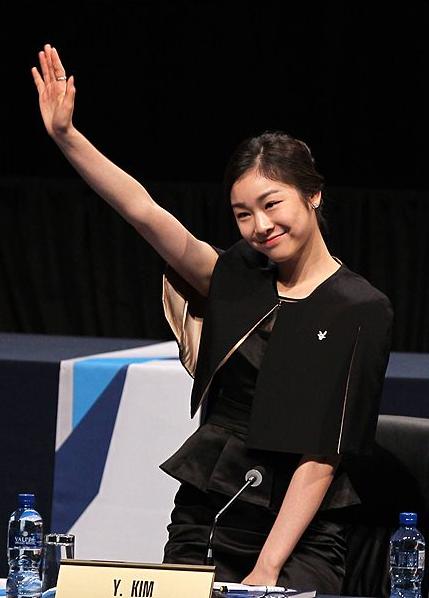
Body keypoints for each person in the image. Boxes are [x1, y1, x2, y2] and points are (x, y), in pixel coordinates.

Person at [32, 44, 393, 592]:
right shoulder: (235, 275)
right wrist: (66, 136)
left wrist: (266, 569)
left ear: (314, 195)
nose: (259, 226)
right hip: (209, 510)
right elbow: (143, 211)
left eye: (272, 204)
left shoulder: (360, 308)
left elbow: (322, 456)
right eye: (243, 214)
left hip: (299, 534)